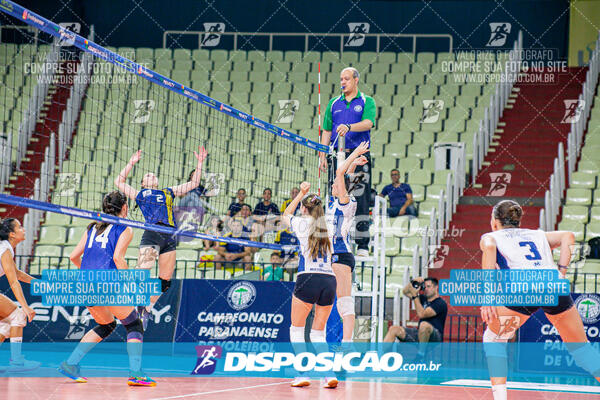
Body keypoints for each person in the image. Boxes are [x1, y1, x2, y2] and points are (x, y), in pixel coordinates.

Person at [479, 200, 600, 400]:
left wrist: (488, 296)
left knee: (494, 340)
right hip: (553, 287)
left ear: (494, 221)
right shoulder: (537, 234)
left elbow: (490, 247)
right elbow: (568, 236)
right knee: (581, 349)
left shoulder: (491, 236)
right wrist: (562, 271)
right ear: (518, 221)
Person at [58, 192, 155, 386]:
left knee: (106, 325)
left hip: (86, 284)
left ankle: (70, 364)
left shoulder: (92, 227)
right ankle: (136, 373)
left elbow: (73, 257)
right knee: (134, 325)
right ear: (125, 208)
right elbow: (118, 258)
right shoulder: (125, 228)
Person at [114, 146, 207, 327]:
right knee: (141, 275)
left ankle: (146, 308)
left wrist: (200, 162)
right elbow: (119, 181)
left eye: (153, 175)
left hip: (169, 237)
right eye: (147, 175)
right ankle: (127, 309)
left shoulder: (168, 192)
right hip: (152, 235)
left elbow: (194, 183)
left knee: (164, 282)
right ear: (142, 183)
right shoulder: (140, 194)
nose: (152, 176)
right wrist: (131, 163)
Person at [282, 181, 338, 389]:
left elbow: (285, 215)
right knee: (318, 333)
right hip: (329, 280)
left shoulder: (301, 223)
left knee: (296, 330)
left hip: (308, 278)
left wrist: (301, 193)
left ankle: (302, 373)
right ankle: (328, 374)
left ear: (304, 209)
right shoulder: (330, 225)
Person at [319, 67, 377, 257]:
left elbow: (368, 123)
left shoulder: (367, 101)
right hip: (337, 156)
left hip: (358, 156)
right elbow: (327, 130)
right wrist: (322, 154)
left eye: (346, 79)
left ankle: (362, 244)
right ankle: (335, 239)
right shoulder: (333, 103)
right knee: (335, 196)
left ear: (356, 80)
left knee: (360, 198)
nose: (343, 82)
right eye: (341, 79)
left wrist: (349, 127)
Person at [327, 141, 369, 342]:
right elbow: (345, 176)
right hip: (336, 255)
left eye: (336, 185)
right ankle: (340, 341)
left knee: (344, 302)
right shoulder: (338, 201)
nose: (334, 185)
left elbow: (340, 175)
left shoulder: (346, 201)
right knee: (337, 302)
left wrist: (354, 156)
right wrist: (355, 164)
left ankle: (347, 342)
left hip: (341, 255)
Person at [0, 218, 39, 372]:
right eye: (20, 227)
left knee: (4, 324)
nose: (23, 229)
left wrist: (39, 283)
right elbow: (14, 281)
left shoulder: (5, 247)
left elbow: (17, 274)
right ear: (12, 234)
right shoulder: (5, 249)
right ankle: (16, 362)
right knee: (17, 315)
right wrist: (25, 307)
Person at [384, 276, 447, 357]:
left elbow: (422, 314)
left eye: (429, 286)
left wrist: (415, 296)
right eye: (425, 287)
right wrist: (414, 282)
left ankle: (420, 355)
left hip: (434, 337)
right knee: (394, 329)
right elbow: (405, 292)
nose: (426, 289)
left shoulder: (440, 303)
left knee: (424, 324)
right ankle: (380, 355)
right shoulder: (422, 299)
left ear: (436, 287)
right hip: (420, 334)